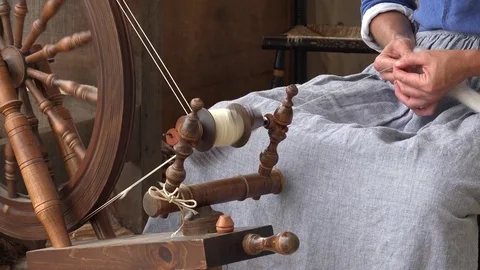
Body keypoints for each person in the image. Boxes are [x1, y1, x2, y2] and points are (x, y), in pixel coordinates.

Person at [144, 1, 480, 269]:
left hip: (469, 74)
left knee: (427, 187)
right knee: (230, 133)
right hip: (418, 63)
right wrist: (398, 42)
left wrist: (466, 64)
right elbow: (384, 3)